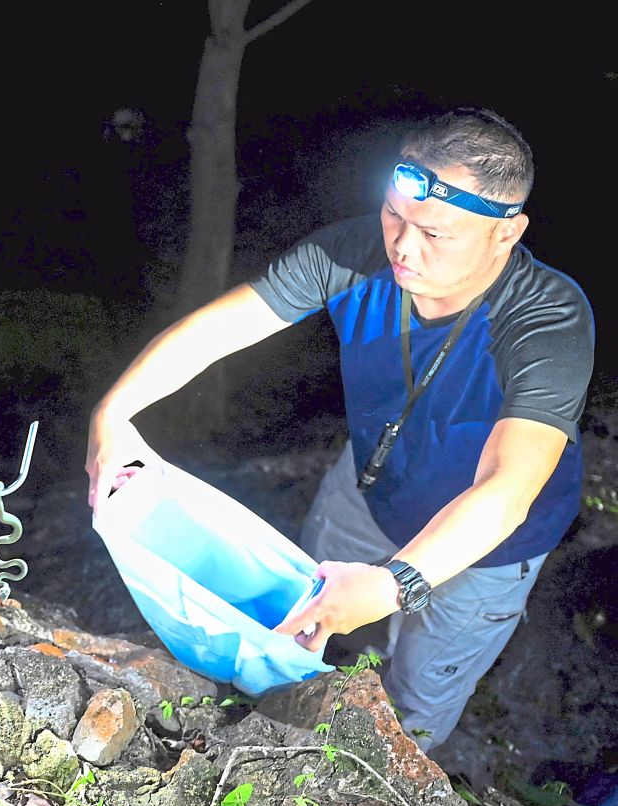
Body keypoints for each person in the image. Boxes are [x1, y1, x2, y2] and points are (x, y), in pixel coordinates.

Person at [85, 106, 594, 752]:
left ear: (506, 232)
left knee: (413, 706)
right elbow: (219, 329)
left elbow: (507, 490)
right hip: (370, 483)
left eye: (436, 234)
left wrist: (391, 584)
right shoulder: (356, 251)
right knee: (301, 603)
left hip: (484, 550)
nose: (402, 247)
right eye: (394, 216)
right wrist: (112, 414)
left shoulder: (548, 318)